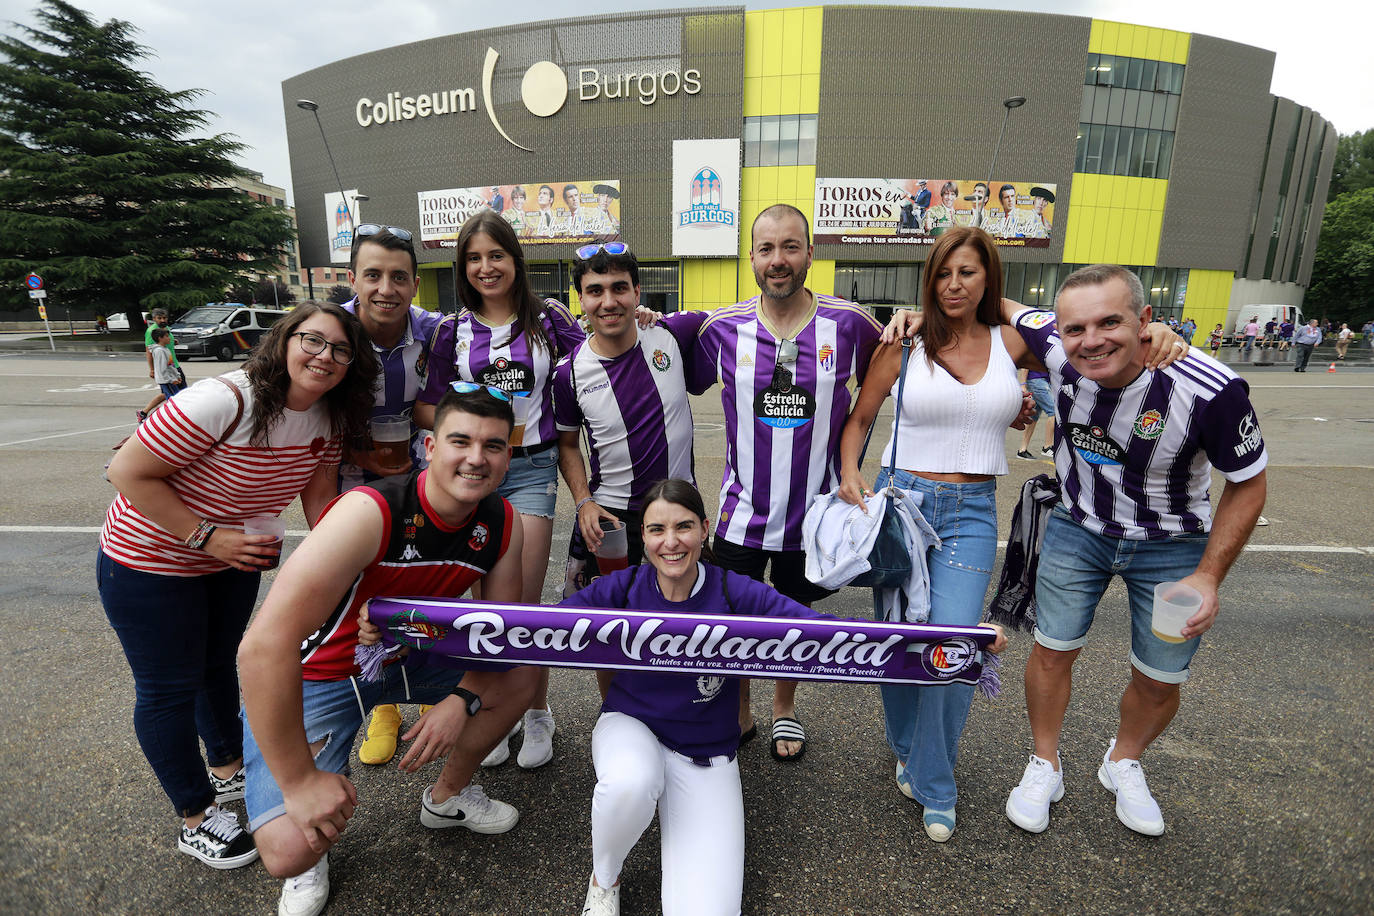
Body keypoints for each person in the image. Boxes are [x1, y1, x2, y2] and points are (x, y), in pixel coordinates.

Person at [570, 479, 986, 916]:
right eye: (657, 530)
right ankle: (605, 876)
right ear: (644, 537)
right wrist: (488, 638)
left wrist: (965, 641)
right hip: (631, 726)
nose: (670, 542)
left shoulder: (732, 590)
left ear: (705, 529)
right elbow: (539, 628)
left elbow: (822, 631)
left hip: (705, 751)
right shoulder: (626, 586)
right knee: (631, 783)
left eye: (684, 527)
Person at [99, 301, 378, 870]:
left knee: (216, 669)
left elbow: (321, 502)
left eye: (341, 349)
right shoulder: (226, 399)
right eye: (313, 341)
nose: (325, 356)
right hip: (148, 560)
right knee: (167, 690)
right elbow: (126, 471)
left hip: (230, 563)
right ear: (283, 341)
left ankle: (227, 770)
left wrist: (352, 562)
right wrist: (210, 537)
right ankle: (195, 818)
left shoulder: (328, 417)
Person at [238, 386, 538, 916]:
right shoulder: (368, 511)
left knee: (519, 678)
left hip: (413, 656)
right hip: (326, 671)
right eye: (460, 441)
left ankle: (446, 799)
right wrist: (301, 782)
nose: (476, 458)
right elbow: (262, 648)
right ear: (427, 446)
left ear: (507, 456)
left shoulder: (504, 523)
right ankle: (311, 836)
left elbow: (499, 639)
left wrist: (461, 700)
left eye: (493, 446)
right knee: (287, 852)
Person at [1003, 264, 1267, 838]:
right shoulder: (1055, 345)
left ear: (1146, 321)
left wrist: (1209, 577)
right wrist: (918, 314)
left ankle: (1123, 759)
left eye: (1110, 322)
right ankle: (1044, 761)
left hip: (1173, 548)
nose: (1090, 340)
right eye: (1076, 328)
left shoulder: (1210, 389)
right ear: (1059, 329)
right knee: (1052, 650)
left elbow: (1248, 482)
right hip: (1077, 531)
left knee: (1161, 675)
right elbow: (998, 305)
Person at [837, 226, 1043, 842]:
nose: (955, 285)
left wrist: (1005, 308)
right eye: (944, 274)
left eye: (969, 273)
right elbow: (861, 418)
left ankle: (935, 782)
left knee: (956, 647)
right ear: (930, 279)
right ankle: (908, 748)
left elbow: (1067, 329)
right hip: (904, 504)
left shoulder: (1013, 343)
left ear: (989, 281)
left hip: (973, 511)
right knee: (902, 642)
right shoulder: (905, 342)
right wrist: (850, 475)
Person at [694, 204, 883, 762]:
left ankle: (784, 709)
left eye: (790, 247)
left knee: (790, 620)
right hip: (741, 515)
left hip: (814, 515)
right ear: (750, 257)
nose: (779, 261)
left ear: (808, 252)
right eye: (767, 249)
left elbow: (896, 372)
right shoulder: (720, 329)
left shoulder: (849, 323)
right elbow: (662, 362)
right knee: (733, 620)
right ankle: (740, 709)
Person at [415, 209, 585, 769]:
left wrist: (649, 319)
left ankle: (536, 712)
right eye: (474, 258)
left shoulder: (550, 319)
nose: (486, 268)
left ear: (515, 260)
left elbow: (600, 358)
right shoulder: (450, 331)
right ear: (463, 267)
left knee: (522, 604)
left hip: (532, 469)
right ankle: (488, 705)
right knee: (481, 602)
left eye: (496, 255)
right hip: (469, 478)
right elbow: (429, 404)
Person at [338, 224, 445, 767]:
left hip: (412, 474)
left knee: (422, 578)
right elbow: (269, 379)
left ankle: (424, 692)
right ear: (353, 279)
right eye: (373, 275)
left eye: (398, 277)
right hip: (348, 476)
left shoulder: (432, 331)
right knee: (364, 587)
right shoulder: (331, 330)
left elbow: (498, 330)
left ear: (415, 284)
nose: (386, 288)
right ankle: (381, 705)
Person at [552, 242, 712, 598]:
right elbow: (566, 446)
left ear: (636, 292)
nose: (608, 302)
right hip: (609, 518)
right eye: (595, 291)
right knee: (601, 621)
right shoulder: (568, 375)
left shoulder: (671, 334)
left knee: (687, 617)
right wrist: (582, 503)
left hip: (679, 507)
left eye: (619, 288)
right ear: (581, 298)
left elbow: (729, 322)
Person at [138, 308, 181, 423]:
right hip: (167, 373)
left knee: (170, 396)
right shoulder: (152, 332)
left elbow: (168, 341)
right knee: (176, 398)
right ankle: (160, 418)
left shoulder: (165, 330)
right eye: (159, 318)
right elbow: (149, 351)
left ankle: (144, 413)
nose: (162, 320)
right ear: (154, 319)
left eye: (164, 318)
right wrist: (152, 369)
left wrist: (173, 341)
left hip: (173, 366)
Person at [1016, 368, 1055, 460]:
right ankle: (1047, 447)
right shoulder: (1036, 352)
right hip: (1037, 381)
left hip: (1041, 381)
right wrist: (1022, 384)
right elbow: (1025, 366)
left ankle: (1022, 450)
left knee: (1033, 416)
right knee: (1054, 412)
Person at [148, 327, 184, 405]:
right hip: (166, 381)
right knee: (174, 400)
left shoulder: (165, 349)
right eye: (167, 336)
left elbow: (171, 365)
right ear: (160, 338)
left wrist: (177, 376)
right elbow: (162, 369)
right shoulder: (159, 351)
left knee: (174, 399)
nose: (169, 338)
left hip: (170, 379)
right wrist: (171, 380)